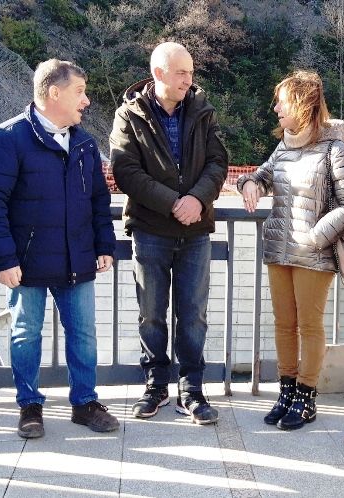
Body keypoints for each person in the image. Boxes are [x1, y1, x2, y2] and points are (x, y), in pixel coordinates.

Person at [0, 59, 119, 439]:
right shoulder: (6, 139)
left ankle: (85, 403)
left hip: (77, 259)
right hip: (26, 263)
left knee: (84, 333)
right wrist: (3, 259)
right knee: (25, 332)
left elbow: (98, 202)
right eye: (79, 92)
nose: (86, 101)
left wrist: (104, 244)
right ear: (54, 93)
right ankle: (29, 406)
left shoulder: (85, 143)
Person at [109, 42, 228, 425]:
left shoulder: (202, 110)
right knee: (151, 314)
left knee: (193, 315)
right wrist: (173, 202)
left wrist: (196, 199)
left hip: (195, 229)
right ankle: (156, 383)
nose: (188, 80)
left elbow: (217, 161)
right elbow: (125, 170)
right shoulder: (129, 115)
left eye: (191, 73)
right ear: (159, 73)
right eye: (181, 73)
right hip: (151, 229)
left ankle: (192, 388)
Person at [237, 71, 344, 431]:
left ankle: (306, 397)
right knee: (284, 325)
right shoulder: (284, 147)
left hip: (314, 253)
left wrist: (316, 236)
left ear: (304, 105)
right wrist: (249, 184)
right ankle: (286, 391)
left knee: (309, 325)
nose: (276, 108)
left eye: (282, 102)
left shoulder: (336, 150)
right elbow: (262, 175)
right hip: (279, 248)